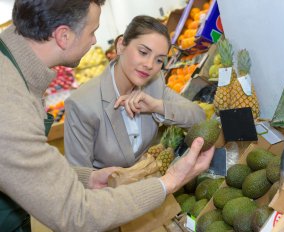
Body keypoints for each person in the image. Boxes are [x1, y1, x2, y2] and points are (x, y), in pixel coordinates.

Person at [0, 1, 214, 231]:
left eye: (159, 59)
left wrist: (88, 178)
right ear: (63, 36)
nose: (94, 41)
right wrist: (169, 181)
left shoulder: (19, 76)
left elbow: (40, 176)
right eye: (92, 31)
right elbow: (75, 212)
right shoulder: (10, 104)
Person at [64, 15, 206, 169]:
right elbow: (79, 177)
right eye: (143, 52)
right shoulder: (82, 104)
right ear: (121, 46)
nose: (149, 65)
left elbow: (199, 117)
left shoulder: (154, 83)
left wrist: (156, 106)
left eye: (159, 60)